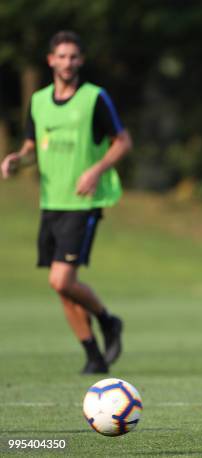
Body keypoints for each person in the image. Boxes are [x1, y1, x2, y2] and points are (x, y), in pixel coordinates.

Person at [1, 31, 132, 374]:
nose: (68, 62)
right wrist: (16, 160)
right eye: (61, 56)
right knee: (63, 288)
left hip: (81, 203)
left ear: (81, 61)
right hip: (50, 202)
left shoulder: (94, 98)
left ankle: (107, 320)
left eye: (74, 56)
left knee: (61, 280)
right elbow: (31, 150)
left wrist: (96, 170)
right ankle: (93, 354)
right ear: (50, 60)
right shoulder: (39, 101)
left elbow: (122, 141)